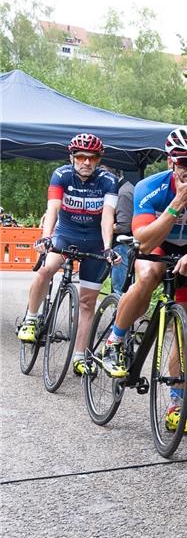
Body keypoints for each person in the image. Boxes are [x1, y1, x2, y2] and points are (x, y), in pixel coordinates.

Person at [99, 125, 187, 435]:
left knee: (184, 329)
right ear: (171, 162)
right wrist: (176, 206)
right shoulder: (151, 187)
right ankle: (114, 341)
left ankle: (176, 407)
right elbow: (144, 242)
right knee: (150, 273)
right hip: (156, 242)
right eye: (183, 161)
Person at [17, 133, 120, 374]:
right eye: (81, 157)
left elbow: (107, 217)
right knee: (46, 269)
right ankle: (31, 319)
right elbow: (52, 208)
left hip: (94, 241)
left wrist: (107, 247)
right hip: (66, 234)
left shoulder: (108, 181)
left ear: (98, 159)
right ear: (72, 157)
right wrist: (46, 235)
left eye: (92, 158)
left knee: (87, 303)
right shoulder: (61, 175)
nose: (86, 162)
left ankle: (80, 356)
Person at [109, 171, 136, 296]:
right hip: (126, 245)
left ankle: (119, 314)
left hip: (123, 245)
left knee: (119, 291)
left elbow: (124, 226)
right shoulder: (125, 188)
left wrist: (102, 226)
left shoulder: (123, 192)